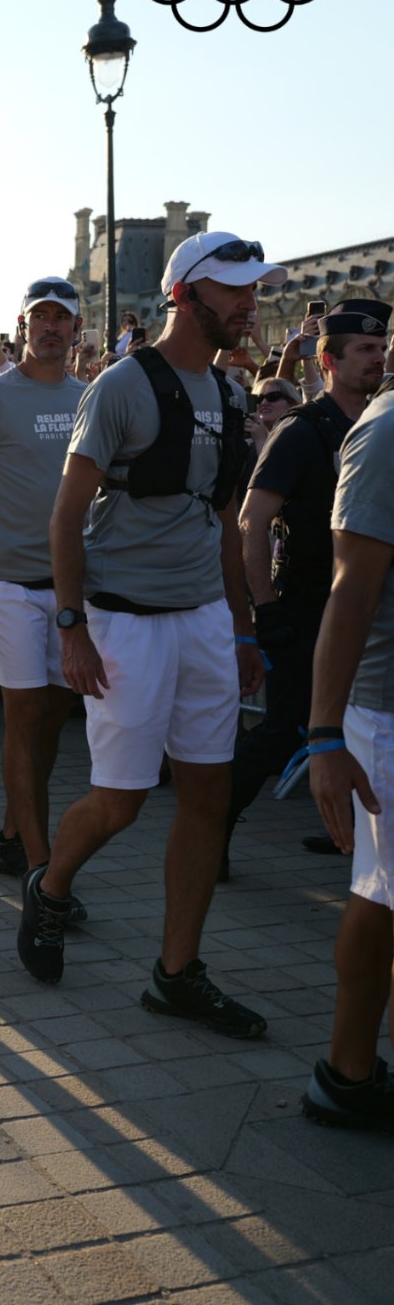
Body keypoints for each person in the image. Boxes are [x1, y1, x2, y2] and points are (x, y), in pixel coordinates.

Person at [23, 230, 282, 1039]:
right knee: (121, 801)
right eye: (235, 289)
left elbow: (224, 526)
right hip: (125, 622)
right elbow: (67, 516)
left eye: (252, 288)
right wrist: (72, 626)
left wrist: (239, 630)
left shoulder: (233, 397)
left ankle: (177, 973)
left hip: (204, 618)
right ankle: (50, 887)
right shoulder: (123, 388)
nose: (250, 303)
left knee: (207, 796)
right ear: (186, 294)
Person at [229, 302, 389, 870]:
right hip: (306, 605)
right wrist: (264, 608)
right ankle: (216, 820)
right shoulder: (302, 430)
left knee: (359, 724)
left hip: (364, 608)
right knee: (286, 729)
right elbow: (252, 520)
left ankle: (351, 827)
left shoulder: (375, 422)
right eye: (364, 351)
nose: (378, 358)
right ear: (328, 360)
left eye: (380, 348)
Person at [0, 283, 87, 882]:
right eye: (40, 318)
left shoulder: (92, 397)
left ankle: (12, 832)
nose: (50, 328)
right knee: (25, 718)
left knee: (52, 719)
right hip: (7, 584)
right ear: (22, 325)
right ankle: (40, 867)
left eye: (62, 319)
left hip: (70, 589)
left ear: (76, 329)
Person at [305, 369, 394, 1132]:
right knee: (383, 892)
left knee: (384, 890)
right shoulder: (387, 430)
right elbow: (351, 591)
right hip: (388, 708)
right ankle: (347, 1073)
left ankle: (352, 1072)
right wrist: (325, 734)